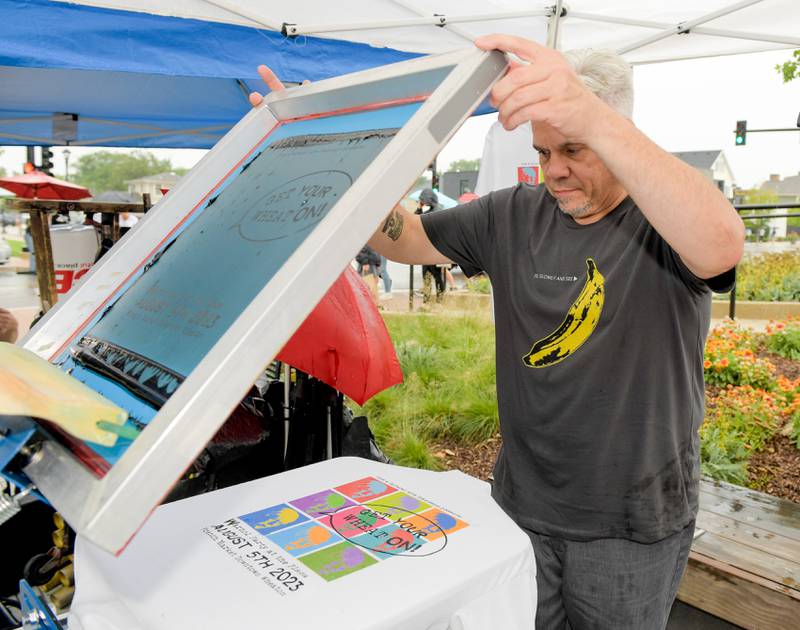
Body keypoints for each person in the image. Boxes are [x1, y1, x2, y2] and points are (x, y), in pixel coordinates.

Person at [250, 38, 744, 629]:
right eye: (542, 151)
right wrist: (332, 158)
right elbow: (403, 238)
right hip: (521, 507)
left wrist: (595, 118)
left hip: (631, 522)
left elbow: (720, 245)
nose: (554, 169)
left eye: (574, 148)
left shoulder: (664, 217)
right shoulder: (512, 213)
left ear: (616, 130)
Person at [416, 188, 446, 303]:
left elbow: (419, 221)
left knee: (436, 276)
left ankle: (439, 300)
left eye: (423, 201)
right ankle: (427, 300)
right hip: (426, 251)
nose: (422, 203)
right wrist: (419, 208)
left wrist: (420, 210)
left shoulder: (436, 211)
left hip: (434, 250)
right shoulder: (428, 211)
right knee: (427, 276)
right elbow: (415, 223)